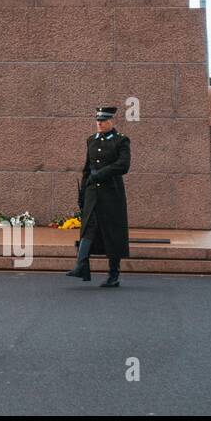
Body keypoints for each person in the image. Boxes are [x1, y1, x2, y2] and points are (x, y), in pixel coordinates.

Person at [66, 107, 131, 288]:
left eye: (103, 120)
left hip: (112, 194)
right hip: (93, 193)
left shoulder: (121, 140)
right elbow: (87, 168)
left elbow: (123, 165)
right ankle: (81, 266)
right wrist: (83, 194)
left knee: (112, 233)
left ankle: (114, 274)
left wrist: (100, 174)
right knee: (88, 228)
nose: (99, 123)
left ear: (111, 121)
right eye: (98, 120)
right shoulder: (91, 141)